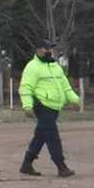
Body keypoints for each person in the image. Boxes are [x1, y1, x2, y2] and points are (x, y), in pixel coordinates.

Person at [18, 39, 80, 177]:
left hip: (54, 107)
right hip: (42, 106)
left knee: (40, 136)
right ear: (38, 50)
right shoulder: (32, 67)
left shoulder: (56, 67)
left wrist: (75, 100)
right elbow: (25, 88)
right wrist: (27, 106)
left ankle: (26, 164)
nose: (49, 51)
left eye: (50, 49)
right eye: (46, 49)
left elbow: (65, 87)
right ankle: (61, 166)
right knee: (52, 137)